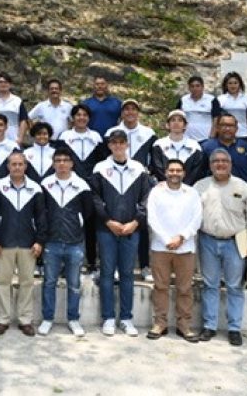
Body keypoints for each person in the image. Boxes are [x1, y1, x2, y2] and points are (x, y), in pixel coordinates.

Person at [195, 149, 247, 346]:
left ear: (230, 164)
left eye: (224, 161)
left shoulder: (243, 187)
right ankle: (209, 326)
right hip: (207, 241)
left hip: (235, 243)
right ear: (210, 165)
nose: (220, 164)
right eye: (216, 161)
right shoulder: (200, 186)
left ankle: (234, 328)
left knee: (234, 286)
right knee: (210, 285)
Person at [90, 129, 151, 337]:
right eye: (113, 143)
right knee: (107, 273)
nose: (117, 146)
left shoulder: (138, 169)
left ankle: (126, 318)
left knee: (126, 274)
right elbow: (95, 199)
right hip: (107, 229)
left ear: (127, 144)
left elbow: (145, 199)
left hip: (131, 230)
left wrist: (135, 222)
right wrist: (108, 221)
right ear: (109, 145)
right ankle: (108, 317)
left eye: (121, 142)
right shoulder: (100, 168)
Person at [200, 113, 247, 292]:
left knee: (246, 244)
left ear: (237, 128)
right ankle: (216, 278)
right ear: (218, 127)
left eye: (231, 125)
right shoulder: (207, 146)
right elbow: (199, 172)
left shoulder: (245, 147)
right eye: (224, 125)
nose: (227, 128)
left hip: (241, 201)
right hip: (215, 197)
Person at [0, 152, 46, 336]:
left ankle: (25, 320)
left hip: (28, 244)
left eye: (21, 164)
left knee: (27, 282)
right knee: (3, 282)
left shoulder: (35, 189)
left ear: (26, 166)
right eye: (14, 164)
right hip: (4, 243)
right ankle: (3, 320)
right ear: (8, 166)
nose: (17, 167)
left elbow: (41, 218)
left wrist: (39, 241)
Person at [38, 147, 93, 338]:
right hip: (51, 242)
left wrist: (76, 226)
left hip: (74, 243)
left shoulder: (82, 185)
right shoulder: (45, 184)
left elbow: (88, 213)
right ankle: (47, 318)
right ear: (53, 163)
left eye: (65, 160)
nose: (61, 163)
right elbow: (41, 212)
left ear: (71, 163)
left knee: (74, 284)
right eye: (58, 160)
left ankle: (73, 319)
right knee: (49, 282)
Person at [145, 159, 202, 343]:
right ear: (166, 172)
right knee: (160, 287)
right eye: (171, 170)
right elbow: (152, 218)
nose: (175, 173)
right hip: (160, 247)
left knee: (184, 288)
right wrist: (166, 239)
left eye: (178, 170)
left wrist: (181, 237)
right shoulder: (156, 192)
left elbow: (197, 218)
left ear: (184, 173)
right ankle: (159, 323)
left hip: (185, 248)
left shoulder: (192, 193)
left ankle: (184, 324)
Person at [106, 99, 155, 281]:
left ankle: (144, 266)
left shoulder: (148, 133)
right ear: (122, 113)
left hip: (139, 181)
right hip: (117, 182)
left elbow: (153, 157)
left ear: (138, 112)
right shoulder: (111, 133)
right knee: (117, 224)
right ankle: (117, 268)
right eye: (126, 109)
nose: (130, 112)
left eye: (134, 109)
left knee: (140, 223)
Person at [57, 103, 106, 274]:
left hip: (90, 188)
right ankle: (65, 264)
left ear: (89, 118)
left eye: (85, 115)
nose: (81, 118)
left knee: (91, 223)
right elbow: (60, 160)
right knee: (68, 223)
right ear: (73, 118)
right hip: (69, 186)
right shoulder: (65, 136)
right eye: (78, 115)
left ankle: (92, 261)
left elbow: (101, 161)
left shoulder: (96, 137)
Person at [149, 110, 206, 185]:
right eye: (173, 120)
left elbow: (195, 172)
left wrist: (183, 187)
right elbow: (158, 169)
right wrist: (171, 186)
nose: (176, 123)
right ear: (167, 125)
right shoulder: (158, 145)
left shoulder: (195, 147)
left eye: (180, 120)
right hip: (164, 189)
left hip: (188, 190)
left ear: (185, 125)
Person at [0, 72, 29, 144]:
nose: (3, 84)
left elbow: (23, 121)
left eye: (6, 82)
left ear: (10, 84)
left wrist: (20, 139)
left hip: (13, 141)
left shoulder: (17, 101)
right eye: (0, 82)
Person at [175, 76, 218, 143]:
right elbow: (176, 117)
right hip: (187, 139)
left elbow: (216, 119)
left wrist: (212, 136)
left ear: (203, 87)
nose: (195, 88)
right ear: (189, 88)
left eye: (198, 86)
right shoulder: (183, 100)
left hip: (206, 139)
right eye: (192, 86)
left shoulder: (211, 100)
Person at [214, 72, 247, 141]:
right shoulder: (220, 99)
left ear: (240, 84)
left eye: (235, 83)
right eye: (230, 83)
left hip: (242, 134)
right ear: (226, 85)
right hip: (225, 134)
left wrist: (243, 127)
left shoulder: (246, 99)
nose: (233, 86)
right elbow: (216, 119)